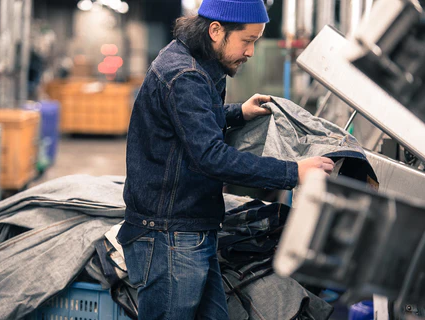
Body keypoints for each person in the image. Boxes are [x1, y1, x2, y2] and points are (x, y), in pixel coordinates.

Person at [117, 0, 335, 319]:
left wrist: (236, 112)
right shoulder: (183, 74)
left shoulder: (199, 62)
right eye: (247, 41)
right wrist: (295, 171)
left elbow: (192, 121)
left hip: (191, 228)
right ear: (216, 31)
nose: (250, 52)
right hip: (169, 237)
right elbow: (211, 157)